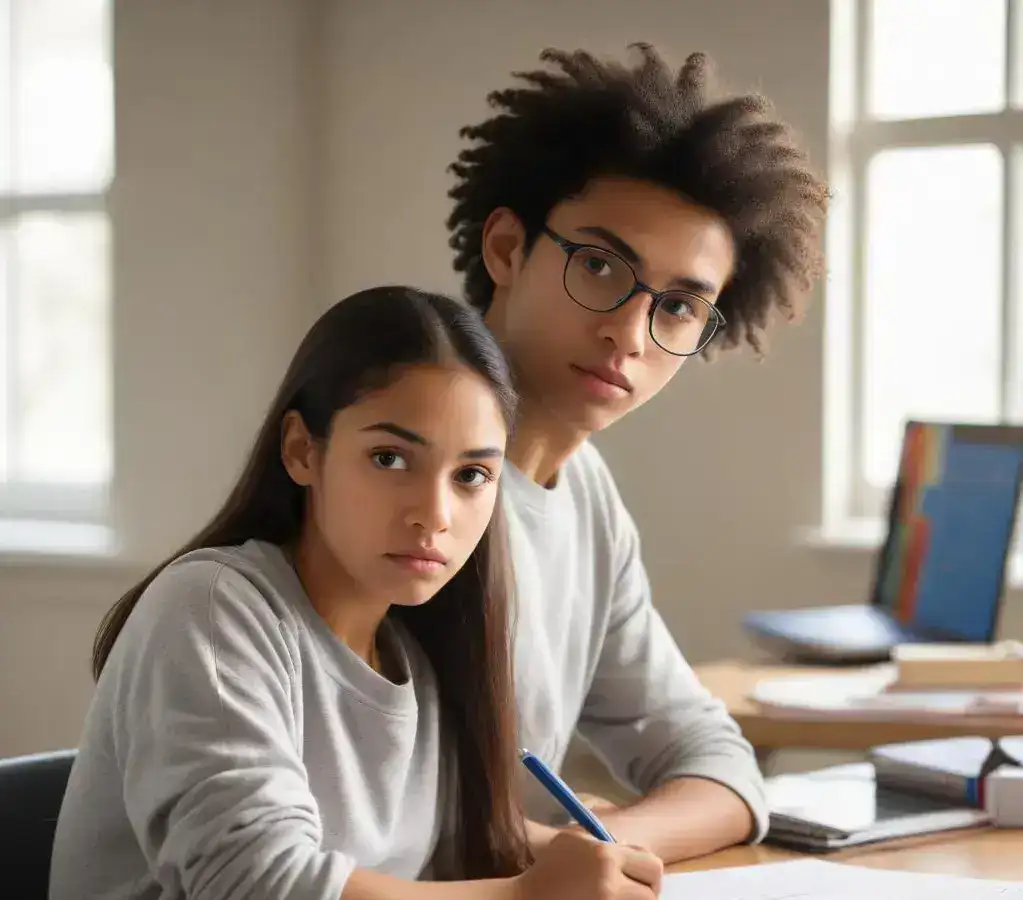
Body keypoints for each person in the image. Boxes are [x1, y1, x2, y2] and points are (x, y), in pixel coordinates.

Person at [49, 287, 664, 900]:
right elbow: (258, 883)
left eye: (472, 475)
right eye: (390, 459)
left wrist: (562, 850)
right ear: (302, 450)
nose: (435, 514)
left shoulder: (415, 651)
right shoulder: (210, 608)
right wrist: (527, 896)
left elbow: (442, 838)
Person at [446, 44, 829, 862]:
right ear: (507, 249)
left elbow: (719, 765)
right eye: (598, 265)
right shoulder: (409, 481)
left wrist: (601, 844)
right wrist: (548, 854)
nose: (628, 331)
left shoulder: (581, 493)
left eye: (681, 306)